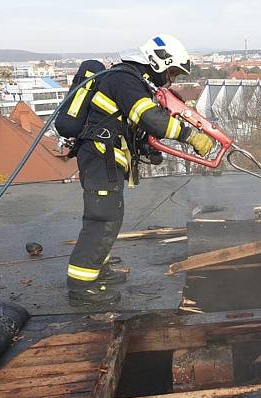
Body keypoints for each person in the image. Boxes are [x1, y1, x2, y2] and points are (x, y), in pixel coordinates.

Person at [67, 34, 216, 304]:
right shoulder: (125, 79)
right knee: (102, 218)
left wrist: (149, 150)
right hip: (100, 156)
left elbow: (132, 125)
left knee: (109, 216)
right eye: (171, 72)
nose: (171, 79)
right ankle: (81, 286)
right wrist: (191, 136)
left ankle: (98, 269)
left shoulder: (130, 80)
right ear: (158, 62)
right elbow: (150, 119)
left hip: (106, 157)